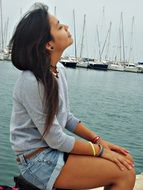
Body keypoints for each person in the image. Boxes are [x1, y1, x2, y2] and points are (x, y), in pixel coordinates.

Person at [10, 3, 135, 190]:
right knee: (124, 172)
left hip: (52, 151)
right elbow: (56, 139)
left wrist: (99, 141)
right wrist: (100, 152)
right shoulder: (32, 81)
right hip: (37, 160)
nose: (66, 27)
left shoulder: (58, 70)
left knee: (126, 160)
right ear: (49, 44)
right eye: (59, 27)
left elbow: (66, 117)